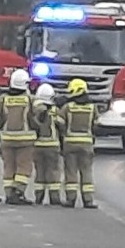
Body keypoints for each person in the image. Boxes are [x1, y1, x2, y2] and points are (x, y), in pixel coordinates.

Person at [0, 69, 36, 205]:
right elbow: (40, 111)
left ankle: (9, 194)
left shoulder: (3, 99)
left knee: (9, 167)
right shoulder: (29, 99)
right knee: (24, 167)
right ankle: (18, 192)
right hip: (25, 139)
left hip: (7, 139)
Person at [59, 78, 98, 209]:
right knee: (86, 172)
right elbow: (97, 125)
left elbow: (60, 123)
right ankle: (88, 200)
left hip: (70, 144)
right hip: (87, 144)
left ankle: (71, 199)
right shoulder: (92, 108)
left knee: (71, 172)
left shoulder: (67, 107)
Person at [31, 83, 64, 205]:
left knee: (39, 172)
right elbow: (62, 125)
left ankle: (38, 197)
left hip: (37, 145)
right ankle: (54, 197)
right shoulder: (55, 111)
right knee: (53, 172)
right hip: (52, 145)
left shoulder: (34, 110)